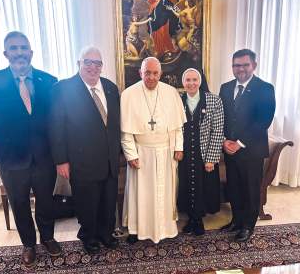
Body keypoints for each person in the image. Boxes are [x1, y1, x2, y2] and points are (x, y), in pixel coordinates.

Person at [0, 31, 61, 267]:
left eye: (23, 48)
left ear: (31, 52)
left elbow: (55, 118)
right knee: (19, 203)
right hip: (11, 157)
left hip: (45, 156)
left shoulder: (50, 80)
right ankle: (28, 244)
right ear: (6, 53)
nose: (19, 52)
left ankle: (48, 237)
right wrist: (10, 136)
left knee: (46, 201)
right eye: (13, 48)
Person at [49, 46, 120, 254]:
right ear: (78, 63)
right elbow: (56, 126)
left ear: (101, 66)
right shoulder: (63, 89)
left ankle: (106, 234)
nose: (92, 67)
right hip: (82, 159)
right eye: (87, 62)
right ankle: (89, 237)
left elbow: (115, 124)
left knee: (108, 201)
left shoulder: (110, 87)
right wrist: (61, 160)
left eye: (97, 63)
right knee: (87, 202)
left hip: (109, 160)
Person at [121, 56, 186, 244]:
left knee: (164, 192)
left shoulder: (171, 93)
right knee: (140, 193)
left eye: (155, 73)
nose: (151, 77)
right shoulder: (128, 94)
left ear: (161, 74)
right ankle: (136, 229)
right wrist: (131, 154)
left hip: (166, 152)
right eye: (147, 72)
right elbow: (126, 133)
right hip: (141, 152)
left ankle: (165, 228)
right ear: (140, 72)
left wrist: (178, 147)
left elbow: (177, 127)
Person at [219, 49, 276, 242]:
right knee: (234, 188)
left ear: (254, 65)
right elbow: (222, 118)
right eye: (236, 65)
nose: (240, 69)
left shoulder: (265, 88)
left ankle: (247, 226)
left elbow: (263, 121)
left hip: (251, 150)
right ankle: (236, 220)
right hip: (229, 149)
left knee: (250, 189)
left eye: (245, 64)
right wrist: (224, 140)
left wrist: (240, 143)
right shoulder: (225, 88)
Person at [178, 68, 224, 236]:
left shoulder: (214, 100)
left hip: (204, 152)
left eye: (194, 80)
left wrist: (211, 158)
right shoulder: (178, 100)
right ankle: (191, 218)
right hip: (184, 152)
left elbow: (218, 131)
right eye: (187, 80)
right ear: (183, 83)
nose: (191, 83)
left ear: (200, 81)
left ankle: (198, 220)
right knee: (187, 184)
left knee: (202, 185)